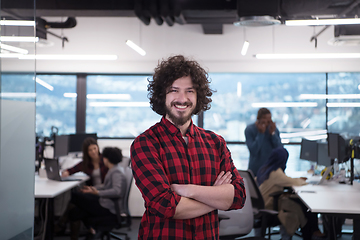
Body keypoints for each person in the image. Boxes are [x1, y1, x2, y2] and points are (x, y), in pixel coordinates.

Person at [131, 55, 246, 239]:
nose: (182, 98)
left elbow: (238, 196)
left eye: (190, 91)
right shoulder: (145, 144)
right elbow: (167, 206)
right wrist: (217, 198)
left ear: (198, 95)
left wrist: (188, 190)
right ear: (163, 95)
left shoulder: (216, 143)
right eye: (174, 90)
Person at [257, 147, 325, 240]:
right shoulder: (276, 173)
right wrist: (304, 181)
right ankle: (308, 234)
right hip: (269, 205)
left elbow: (285, 180)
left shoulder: (265, 169)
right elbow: (293, 182)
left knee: (299, 204)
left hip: (261, 204)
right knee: (301, 207)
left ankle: (311, 232)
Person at [56, 137, 109, 239]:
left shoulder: (105, 160)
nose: (93, 152)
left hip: (101, 193)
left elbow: (110, 183)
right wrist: (66, 172)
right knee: (75, 210)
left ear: (98, 148)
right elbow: (72, 169)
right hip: (91, 193)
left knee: (75, 197)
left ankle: (60, 224)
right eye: (90, 150)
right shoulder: (86, 163)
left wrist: (94, 190)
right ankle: (74, 234)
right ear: (86, 152)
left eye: (94, 148)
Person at [68, 147, 126, 239]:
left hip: (109, 207)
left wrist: (97, 193)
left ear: (106, 159)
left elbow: (117, 191)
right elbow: (106, 186)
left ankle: (60, 226)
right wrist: (92, 189)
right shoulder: (114, 169)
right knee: (76, 211)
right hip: (106, 202)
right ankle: (89, 232)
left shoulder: (116, 172)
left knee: (76, 196)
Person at [245, 107, 282, 176]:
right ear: (258, 119)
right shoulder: (250, 130)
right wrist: (261, 134)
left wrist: (273, 134)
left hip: (271, 170)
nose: (267, 124)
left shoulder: (273, 129)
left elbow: (280, 149)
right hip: (256, 170)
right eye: (265, 121)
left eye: (269, 120)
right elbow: (254, 150)